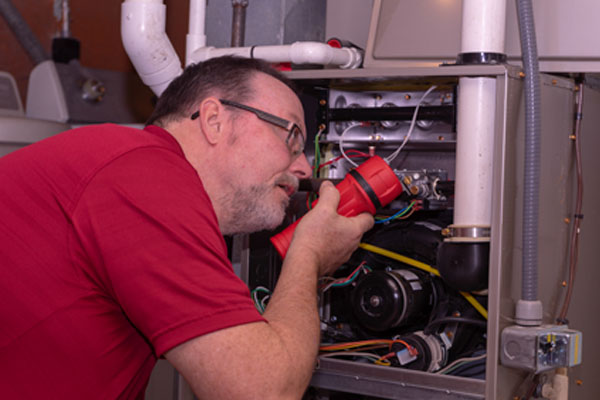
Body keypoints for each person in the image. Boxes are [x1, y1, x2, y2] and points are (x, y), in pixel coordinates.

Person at [0, 56, 374, 399]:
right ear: (214, 120)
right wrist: (308, 255)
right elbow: (261, 391)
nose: (304, 169)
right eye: (291, 136)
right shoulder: (145, 176)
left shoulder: (132, 168)